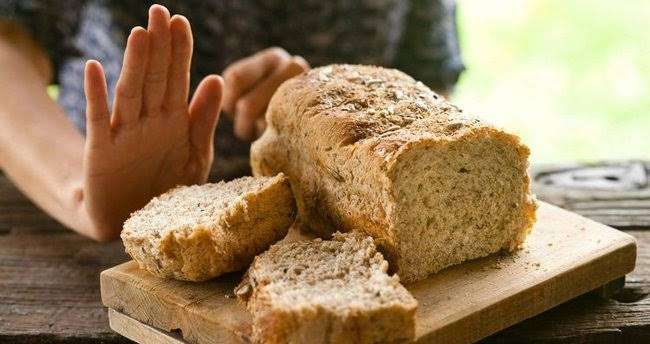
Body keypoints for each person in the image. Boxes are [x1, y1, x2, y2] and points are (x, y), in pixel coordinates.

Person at [0, 1, 464, 241]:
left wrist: (321, 108)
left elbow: (426, 88)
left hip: (330, 227)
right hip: (89, 226)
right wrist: (78, 188)